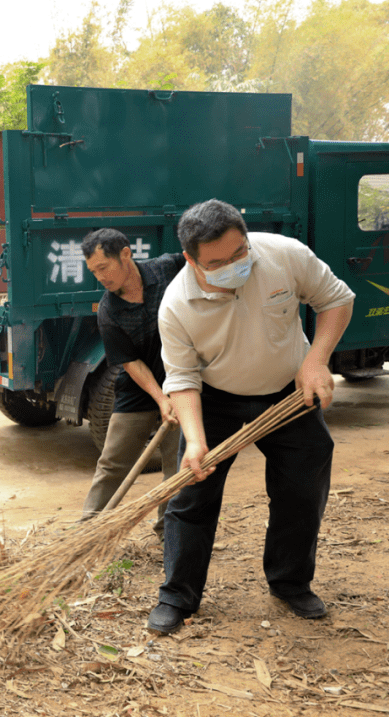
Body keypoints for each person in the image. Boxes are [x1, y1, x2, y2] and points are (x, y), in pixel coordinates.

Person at [148, 199, 355, 634]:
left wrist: (316, 360)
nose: (235, 265)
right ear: (190, 259)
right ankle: (177, 595)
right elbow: (182, 378)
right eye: (218, 263)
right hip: (216, 396)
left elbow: (335, 299)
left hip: (287, 390)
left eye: (240, 253)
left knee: (302, 487)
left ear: (246, 238)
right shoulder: (175, 305)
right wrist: (196, 440)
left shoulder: (283, 254)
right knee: (191, 496)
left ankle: (290, 582)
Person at [78, 229, 184, 539]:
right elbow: (130, 362)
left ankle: (170, 530)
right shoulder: (109, 310)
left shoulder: (168, 268)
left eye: (103, 267)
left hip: (182, 382)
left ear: (126, 254)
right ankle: (88, 532)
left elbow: (199, 258)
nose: (100, 277)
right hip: (138, 389)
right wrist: (160, 398)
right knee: (112, 462)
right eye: (93, 271)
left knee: (176, 464)